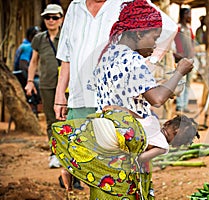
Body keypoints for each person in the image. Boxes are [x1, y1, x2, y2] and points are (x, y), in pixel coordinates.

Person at [51, 0, 194, 198]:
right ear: (137, 33)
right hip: (124, 155)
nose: (155, 45)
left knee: (102, 191)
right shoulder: (133, 61)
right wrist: (179, 72)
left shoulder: (109, 54)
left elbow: (121, 102)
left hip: (107, 144)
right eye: (153, 38)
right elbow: (157, 99)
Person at [24, 4, 64, 169]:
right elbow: (33, 61)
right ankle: (55, 153)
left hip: (67, 86)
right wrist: (30, 81)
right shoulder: (39, 38)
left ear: (61, 19)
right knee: (51, 120)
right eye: (48, 17)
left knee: (67, 119)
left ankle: (69, 154)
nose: (51, 20)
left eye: (55, 17)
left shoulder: (67, 36)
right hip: (47, 84)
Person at [14, 26, 40, 116]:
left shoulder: (24, 45)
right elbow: (23, 66)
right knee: (40, 83)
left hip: (19, 75)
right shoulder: (28, 47)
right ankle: (34, 107)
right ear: (31, 36)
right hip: (22, 76)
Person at [173, 8, 195, 113]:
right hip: (181, 59)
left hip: (190, 59)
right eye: (188, 14)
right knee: (181, 82)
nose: (190, 16)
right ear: (183, 15)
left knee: (188, 83)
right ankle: (180, 105)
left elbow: (193, 42)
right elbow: (174, 42)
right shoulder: (178, 28)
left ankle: (184, 105)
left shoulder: (189, 28)